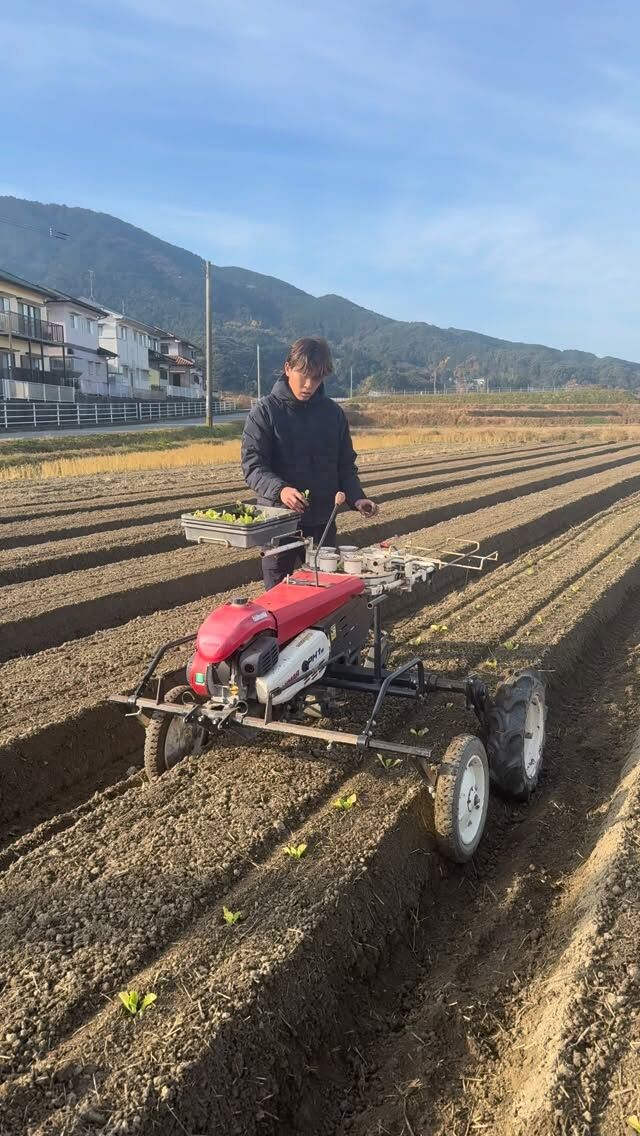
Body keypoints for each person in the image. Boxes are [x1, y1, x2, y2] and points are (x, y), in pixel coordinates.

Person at [241, 336, 378, 588]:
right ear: (287, 368)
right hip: (278, 524)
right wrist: (281, 490)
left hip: (322, 524)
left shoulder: (333, 414)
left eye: (316, 378)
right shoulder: (265, 412)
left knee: (323, 593)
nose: (308, 385)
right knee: (278, 599)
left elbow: (345, 465)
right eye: (303, 375)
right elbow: (253, 466)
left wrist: (357, 497)